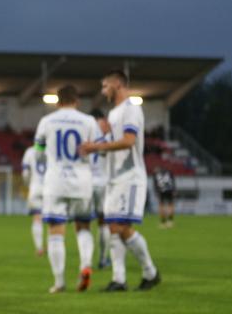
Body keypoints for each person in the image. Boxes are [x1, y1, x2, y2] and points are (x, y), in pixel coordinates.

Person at [80, 70, 161, 292]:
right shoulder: (114, 113)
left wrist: (98, 146)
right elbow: (112, 144)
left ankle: (150, 272)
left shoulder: (131, 109)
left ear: (117, 84)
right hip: (114, 178)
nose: (103, 90)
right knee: (113, 227)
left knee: (120, 226)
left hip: (130, 177)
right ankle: (119, 279)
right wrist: (95, 145)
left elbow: (128, 141)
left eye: (105, 86)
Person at [34, 85, 100, 293]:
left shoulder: (47, 121)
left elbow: (38, 152)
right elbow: (98, 151)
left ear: (57, 101)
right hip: (82, 181)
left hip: (55, 182)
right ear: (77, 101)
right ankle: (86, 265)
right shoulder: (89, 121)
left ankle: (59, 282)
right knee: (83, 227)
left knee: (55, 231)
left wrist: (47, 157)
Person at [89, 109, 111, 268]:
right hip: (103, 184)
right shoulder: (109, 139)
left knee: (84, 224)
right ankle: (103, 259)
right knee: (104, 223)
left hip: (87, 184)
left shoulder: (84, 137)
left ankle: (86, 262)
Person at [21, 145, 46, 256]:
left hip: (35, 187)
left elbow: (25, 174)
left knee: (37, 217)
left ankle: (39, 248)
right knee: (53, 220)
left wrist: (28, 185)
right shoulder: (52, 149)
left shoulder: (29, 151)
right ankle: (52, 244)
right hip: (50, 188)